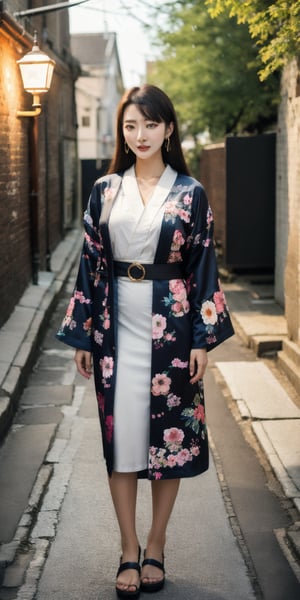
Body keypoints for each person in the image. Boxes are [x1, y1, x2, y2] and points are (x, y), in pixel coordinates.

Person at [57, 84, 234, 598]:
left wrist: (202, 337)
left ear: (169, 129)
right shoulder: (104, 190)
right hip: (115, 325)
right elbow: (90, 265)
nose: (140, 135)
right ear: (123, 131)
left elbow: (203, 267)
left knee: (167, 439)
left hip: (172, 328)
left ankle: (156, 544)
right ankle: (128, 548)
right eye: (131, 125)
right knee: (123, 439)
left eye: (151, 125)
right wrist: (84, 334)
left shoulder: (190, 193)